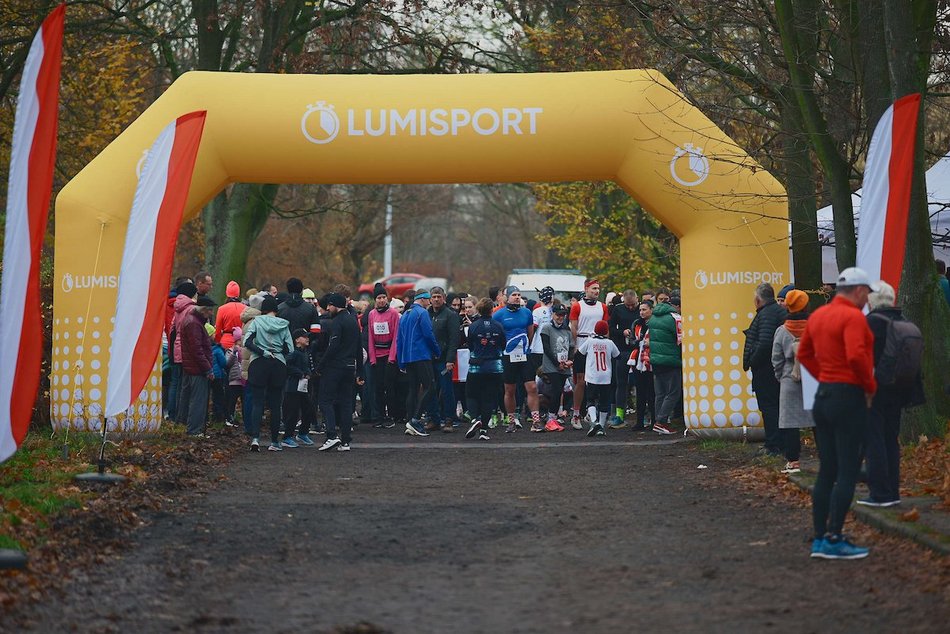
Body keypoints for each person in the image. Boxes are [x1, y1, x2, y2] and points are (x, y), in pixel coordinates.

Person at [798, 267, 879, 560]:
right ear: (858, 291)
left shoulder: (818, 315)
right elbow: (857, 356)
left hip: (824, 396)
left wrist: (824, 377)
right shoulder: (853, 317)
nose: (866, 299)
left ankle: (820, 539)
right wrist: (868, 387)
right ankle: (835, 537)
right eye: (867, 294)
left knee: (827, 470)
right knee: (846, 470)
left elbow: (803, 354)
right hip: (848, 397)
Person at [858, 281, 924, 507]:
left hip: (875, 390)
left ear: (872, 300)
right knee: (890, 439)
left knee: (874, 439)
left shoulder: (872, 323)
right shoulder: (903, 320)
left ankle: (879, 494)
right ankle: (893, 492)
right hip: (900, 389)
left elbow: (862, 358)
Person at [243, 295, 294, 452]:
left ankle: (255, 438)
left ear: (263, 309)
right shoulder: (284, 326)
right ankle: (274, 442)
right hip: (277, 364)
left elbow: (247, 342)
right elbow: (290, 349)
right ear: (276, 310)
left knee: (258, 402)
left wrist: (262, 351)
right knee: (275, 404)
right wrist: (278, 354)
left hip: (258, 363)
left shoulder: (257, 322)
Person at [771, 289, 813, 474]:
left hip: (790, 378)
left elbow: (776, 358)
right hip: (813, 376)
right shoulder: (815, 327)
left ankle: (793, 462)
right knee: (817, 420)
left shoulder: (782, 330)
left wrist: (782, 376)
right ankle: (828, 458)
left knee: (790, 422)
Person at [315, 293, 364, 452]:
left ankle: (331, 435)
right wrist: (360, 372)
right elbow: (358, 347)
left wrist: (320, 366)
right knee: (346, 403)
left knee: (325, 400)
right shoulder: (353, 321)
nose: (328, 309)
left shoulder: (337, 322)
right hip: (350, 367)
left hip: (335, 367)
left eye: (329, 305)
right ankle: (345, 441)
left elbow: (333, 346)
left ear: (336, 305)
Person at [743, 283, 787, 456]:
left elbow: (764, 343)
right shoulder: (776, 312)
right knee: (776, 405)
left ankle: (773, 444)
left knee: (769, 407)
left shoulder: (766, 314)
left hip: (766, 369)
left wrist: (752, 360)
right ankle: (780, 442)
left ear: (758, 299)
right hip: (775, 367)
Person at [493, 286, 541, 433]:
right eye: (514, 295)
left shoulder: (526, 313)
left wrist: (525, 348)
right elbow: (497, 337)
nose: (517, 297)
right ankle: (512, 421)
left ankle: (536, 421)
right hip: (508, 356)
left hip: (525, 354)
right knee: (510, 390)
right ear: (506, 297)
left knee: (532, 387)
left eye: (519, 295)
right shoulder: (498, 315)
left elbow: (530, 333)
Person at [397, 290, 440, 437]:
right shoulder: (422, 313)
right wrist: (437, 351)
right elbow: (428, 334)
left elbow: (399, 339)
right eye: (428, 300)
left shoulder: (404, 315)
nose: (430, 303)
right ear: (423, 299)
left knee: (413, 389)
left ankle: (410, 421)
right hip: (421, 355)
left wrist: (401, 360)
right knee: (430, 386)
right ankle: (415, 420)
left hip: (408, 357)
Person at [464, 298, 506, 441]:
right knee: (489, 398)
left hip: (477, 367)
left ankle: (475, 418)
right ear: (491, 310)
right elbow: (503, 345)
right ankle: (483, 430)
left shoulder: (474, 326)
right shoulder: (498, 326)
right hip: (495, 367)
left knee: (471, 395)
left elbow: (470, 345)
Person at [569, 279, 608, 429]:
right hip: (581, 344)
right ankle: (576, 414)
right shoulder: (577, 306)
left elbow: (605, 327)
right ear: (586, 289)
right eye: (593, 289)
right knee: (580, 380)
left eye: (598, 289)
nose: (596, 291)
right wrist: (575, 346)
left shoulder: (602, 307)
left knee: (596, 381)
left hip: (597, 346)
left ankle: (591, 412)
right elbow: (574, 327)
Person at [177, 295, 217, 436]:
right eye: (210, 310)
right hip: (197, 369)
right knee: (198, 401)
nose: (212, 313)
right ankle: (194, 430)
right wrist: (208, 369)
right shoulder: (195, 324)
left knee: (189, 399)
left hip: (191, 366)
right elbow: (197, 350)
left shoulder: (191, 320)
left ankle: (190, 428)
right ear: (204, 310)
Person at [577, 320, 620, 436]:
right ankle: (601, 426)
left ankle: (594, 421)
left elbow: (580, 353)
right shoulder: (610, 343)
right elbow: (617, 355)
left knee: (590, 399)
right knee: (604, 401)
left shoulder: (590, 341)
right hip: (606, 376)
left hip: (592, 375)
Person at [648, 294, 682, 435]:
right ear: (676, 306)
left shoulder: (653, 317)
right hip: (670, 360)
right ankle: (661, 421)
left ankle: (657, 421)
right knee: (673, 392)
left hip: (655, 359)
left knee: (660, 393)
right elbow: (681, 338)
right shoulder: (674, 318)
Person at [428, 286, 461, 431]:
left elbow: (454, 339)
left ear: (444, 297)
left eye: (439, 296)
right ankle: (433, 419)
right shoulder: (426, 314)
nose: (436, 299)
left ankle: (449, 419)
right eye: (434, 296)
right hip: (429, 359)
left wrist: (450, 360)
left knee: (447, 390)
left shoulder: (450, 315)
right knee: (431, 390)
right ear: (430, 298)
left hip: (444, 359)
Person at [367, 283, 400, 428]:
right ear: (375, 300)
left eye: (383, 297)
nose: (381, 300)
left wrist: (392, 357)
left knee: (390, 387)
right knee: (377, 388)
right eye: (379, 298)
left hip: (389, 355)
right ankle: (378, 416)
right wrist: (372, 358)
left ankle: (391, 415)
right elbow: (370, 337)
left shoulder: (393, 314)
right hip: (377, 355)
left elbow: (396, 336)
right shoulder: (371, 314)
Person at [537, 302, 573, 431]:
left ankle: (553, 417)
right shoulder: (546, 328)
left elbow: (571, 346)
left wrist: (569, 360)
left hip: (564, 364)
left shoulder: (566, 329)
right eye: (558, 315)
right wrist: (557, 364)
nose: (560, 317)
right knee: (557, 389)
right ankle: (551, 418)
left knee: (560, 391)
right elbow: (546, 348)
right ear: (553, 314)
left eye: (563, 315)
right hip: (551, 365)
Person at [281, 328, 318, 448]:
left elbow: (307, 366)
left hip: (304, 386)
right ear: (297, 340)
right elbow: (288, 366)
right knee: (292, 412)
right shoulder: (293, 353)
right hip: (292, 386)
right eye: (304, 336)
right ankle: (287, 436)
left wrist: (308, 373)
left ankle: (303, 433)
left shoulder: (305, 352)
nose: (307, 339)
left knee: (309, 409)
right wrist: (300, 373)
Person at [608, 289, 639, 428]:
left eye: (633, 305)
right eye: (628, 305)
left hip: (639, 350)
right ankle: (619, 414)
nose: (631, 307)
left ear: (637, 299)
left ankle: (643, 415)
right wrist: (622, 332)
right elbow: (611, 328)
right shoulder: (618, 310)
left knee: (641, 383)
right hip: (623, 350)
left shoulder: (643, 309)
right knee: (621, 383)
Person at [630, 300, 656, 430]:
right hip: (638, 361)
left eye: (644, 309)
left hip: (652, 360)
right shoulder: (636, 324)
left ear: (651, 310)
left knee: (652, 392)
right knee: (640, 392)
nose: (641, 312)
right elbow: (630, 340)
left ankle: (654, 421)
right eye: (640, 310)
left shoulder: (655, 323)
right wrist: (638, 342)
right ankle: (639, 421)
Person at [224, 326, 245, 426]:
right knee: (232, 400)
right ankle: (230, 417)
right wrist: (234, 353)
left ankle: (245, 418)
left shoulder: (245, 350)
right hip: (234, 380)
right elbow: (227, 364)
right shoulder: (230, 351)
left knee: (244, 401)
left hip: (243, 380)